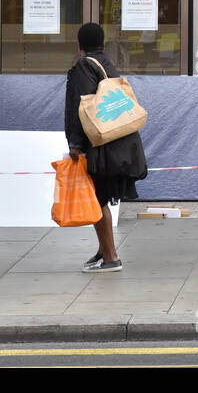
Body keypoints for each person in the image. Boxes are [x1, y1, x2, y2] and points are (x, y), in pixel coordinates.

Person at [65, 22, 146, 273]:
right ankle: (103, 250)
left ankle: (111, 257)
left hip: (100, 143)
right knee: (100, 195)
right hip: (119, 139)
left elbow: (80, 107)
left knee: (98, 198)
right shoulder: (108, 64)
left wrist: (75, 145)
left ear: (80, 45)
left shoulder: (83, 66)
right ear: (102, 43)